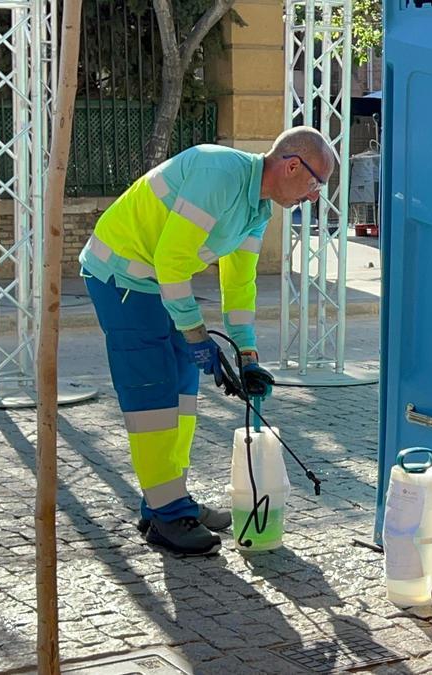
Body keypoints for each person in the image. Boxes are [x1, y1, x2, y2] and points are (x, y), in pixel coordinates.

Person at [79, 126, 337, 555]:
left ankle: (167, 499)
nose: (313, 196)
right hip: (123, 275)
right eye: (315, 183)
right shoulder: (218, 174)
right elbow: (172, 262)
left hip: (158, 281)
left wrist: (247, 354)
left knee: (183, 392)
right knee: (153, 395)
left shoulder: (258, 208)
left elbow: (239, 285)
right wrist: (197, 335)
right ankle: (166, 515)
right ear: (292, 165)